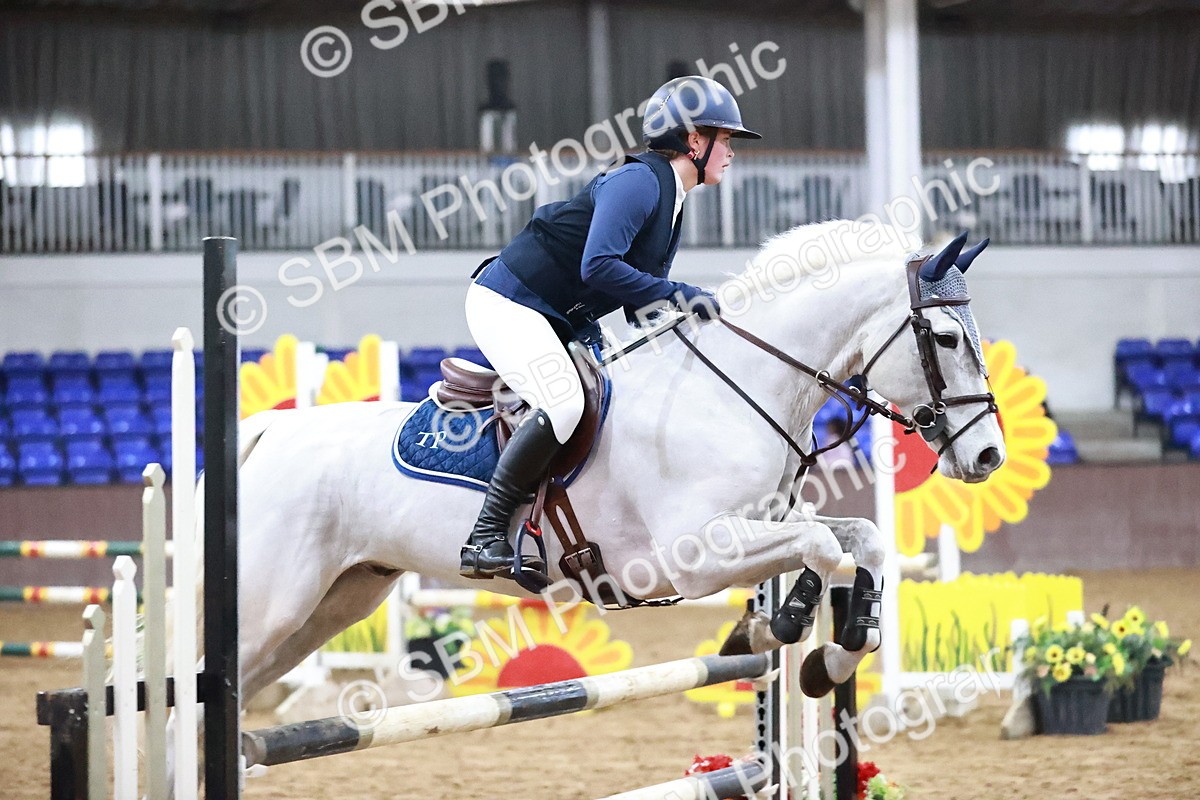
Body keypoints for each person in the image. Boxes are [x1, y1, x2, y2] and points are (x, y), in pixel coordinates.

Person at [459, 75, 760, 580]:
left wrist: (705, 322)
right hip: (508, 301)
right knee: (564, 402)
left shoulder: (672, 199)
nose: (731, 151)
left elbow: (636, 303)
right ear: (694, 141)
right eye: (725, 139)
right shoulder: (640, 182)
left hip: (555, 316)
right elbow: (598, 267)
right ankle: (485, 534)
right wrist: (680, 294)